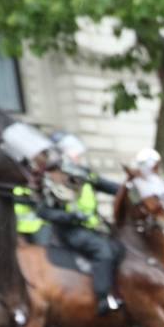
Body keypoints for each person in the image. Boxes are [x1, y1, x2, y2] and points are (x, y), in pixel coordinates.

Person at [36, 133, 123, 317]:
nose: (78, 158)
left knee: (121, 249)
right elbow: (43, 211)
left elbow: (109, 186)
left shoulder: (84, 173)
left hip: (94, 227)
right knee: (103, 251)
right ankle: (102, 299)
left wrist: (129, 188)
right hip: (71, 231)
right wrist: (70, 216)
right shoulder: (53, 180)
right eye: (75, 154)